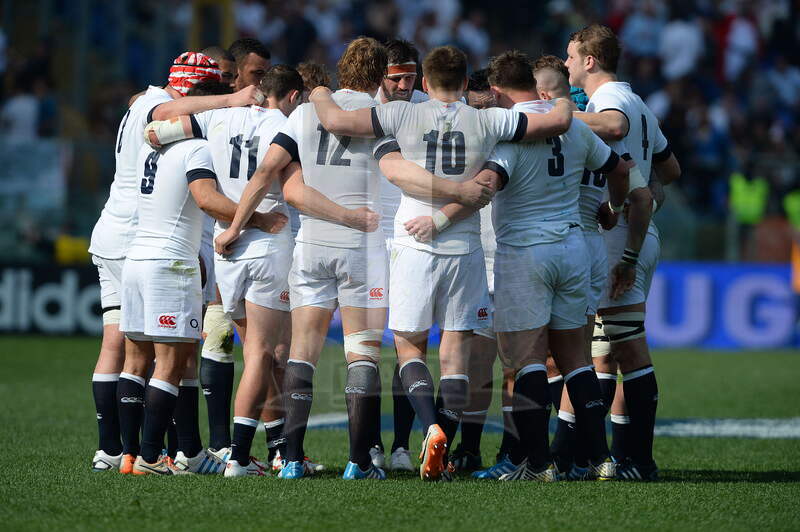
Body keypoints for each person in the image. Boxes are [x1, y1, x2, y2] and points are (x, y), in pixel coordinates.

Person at [309, 44, 574, 480]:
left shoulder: (402, 114)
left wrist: (320, 91)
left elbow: (334, 119)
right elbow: (559, 121)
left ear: (425, 84)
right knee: (456, 356)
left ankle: (429, 424)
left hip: (413, 241)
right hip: (465, 247)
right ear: (467, 81)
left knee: (409, 346)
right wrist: (561, 95)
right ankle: (446, 447)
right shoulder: (489, 119)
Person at [214, 37, 388, 480]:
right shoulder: (386, 114)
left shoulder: (305, 114)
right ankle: (359, 462)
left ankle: (289, 459)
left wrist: (234, 227)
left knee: (301, 355)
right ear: (381, 75)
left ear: (340, 70)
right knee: (361, 355)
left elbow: (268, 173)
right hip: (361, 247)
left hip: (312, 244)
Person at [88, 51, 261, 473]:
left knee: (126, 347)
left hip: (120, 235)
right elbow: (169, 109)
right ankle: (155, 452)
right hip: (145, 237)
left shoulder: (138, 105)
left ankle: (117, 451)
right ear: (193, 89)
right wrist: (230, 102)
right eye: (210, 89)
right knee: (168, 353)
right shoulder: (160, 114)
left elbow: (152, 104)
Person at [467, 50, 630, 481]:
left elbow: (489, 183)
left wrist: (447, 202)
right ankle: (600, 459)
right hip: (573, 247)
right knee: (576, 359)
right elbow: (619, 167)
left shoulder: (512, 136)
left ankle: (538, 465)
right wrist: (612, 208)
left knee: (527, 362)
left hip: (525, 253)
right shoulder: (574, 126)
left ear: (499, 91)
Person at [566, 24, 681, 481]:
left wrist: (552, 115)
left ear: (590, 61)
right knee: (605, 351)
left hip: (621, 241)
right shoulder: (638, 101)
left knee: (628, 347)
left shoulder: (609, 104)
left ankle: (639, 459)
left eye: (571, 56)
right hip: (630, 229)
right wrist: (645, 194)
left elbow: (614, 127)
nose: (567, 63)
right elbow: (671, 169)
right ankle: (609, 455)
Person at [120, 95, 254, 474]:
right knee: (172, 364)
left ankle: (130, 456)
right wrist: (255, 217)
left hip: (137, 258)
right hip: (171, 263)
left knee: (135, 361)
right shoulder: (196, 148)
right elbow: (206, 198)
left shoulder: (149, 149)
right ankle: (150, 458)